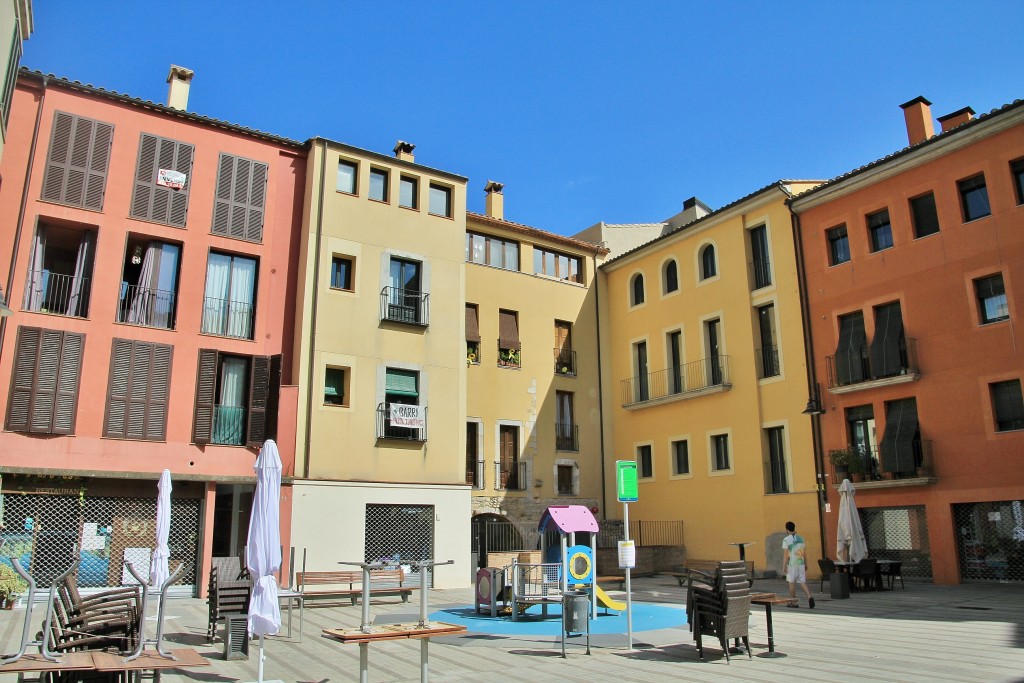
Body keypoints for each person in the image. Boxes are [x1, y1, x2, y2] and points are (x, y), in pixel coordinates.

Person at [782, 521, 814, 608]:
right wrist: (806, 563)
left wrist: (784, 566)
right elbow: (804, 553)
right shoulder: (801, 538)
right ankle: (809, 596)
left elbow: (785, 555)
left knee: (791, 582)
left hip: (792, 564)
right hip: (801, 563)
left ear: (787, 529)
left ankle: (794, 602)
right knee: (802, 581)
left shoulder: (786, 540)